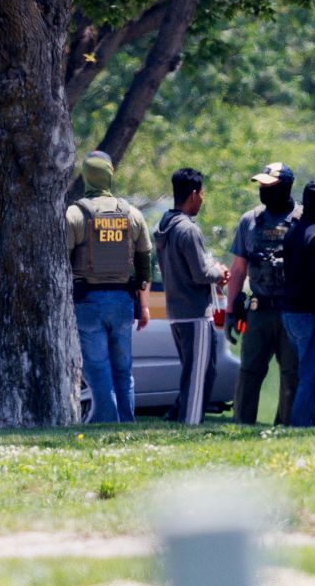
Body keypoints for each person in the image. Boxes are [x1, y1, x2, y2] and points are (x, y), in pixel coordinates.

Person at [65, 150, 152, 423]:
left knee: (97, 369)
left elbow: (62, 260)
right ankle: (127, 422)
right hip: (123, 301)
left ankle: (108, 423)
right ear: (109, 174)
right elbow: (144, 263)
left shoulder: (75, 214)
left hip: (87, 301)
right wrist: (144, 306)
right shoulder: (132, 214)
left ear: (87, 176)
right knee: (123, 371)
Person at [225, 162, 301, 425]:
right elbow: (237, 269)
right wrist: (231, 311)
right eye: (262, 186)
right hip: (258, 310)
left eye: (270, 186)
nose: (264, 191)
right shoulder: (250, 220)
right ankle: (242, 425)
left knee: (292, 373)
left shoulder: (303, 219)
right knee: (249, 371)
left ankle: (287, 426)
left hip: (292, 312)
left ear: (285, 187)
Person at [153, 168, 230, 424]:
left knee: (199, 371)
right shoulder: (188, 229)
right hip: (195, 313)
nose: (203, 198)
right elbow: (200, 273)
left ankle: (176, 417)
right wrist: (218, 272)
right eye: (202, 193)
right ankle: (190, 426)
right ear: (194, 194)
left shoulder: (165, 225)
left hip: (176, 311)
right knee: (198, 375)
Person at [281, 181, 315, 428]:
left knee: (314, 374)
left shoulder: (293, 232)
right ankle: (300, 426)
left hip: (290, 313)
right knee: (311, 377)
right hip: (310, 314)